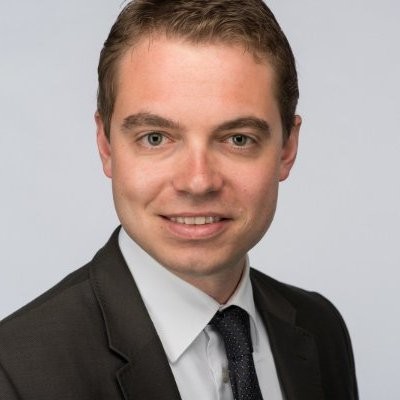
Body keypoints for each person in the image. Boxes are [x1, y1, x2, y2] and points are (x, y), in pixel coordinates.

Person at [0, 0, 358, 399]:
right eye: (155, 138)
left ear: (287, 148)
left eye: (238, 139)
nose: (198, 182)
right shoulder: (14, 373)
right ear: (106, 145)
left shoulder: (320, 328)